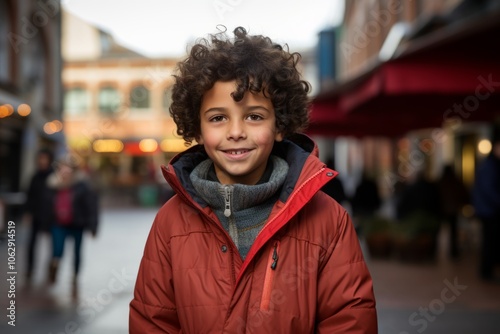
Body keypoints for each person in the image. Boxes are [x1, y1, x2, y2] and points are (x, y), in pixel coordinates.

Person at [130, 27, 377, 333]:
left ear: (279, 125)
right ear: (198, 128)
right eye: (218, 117)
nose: (235, 132)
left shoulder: (328, 220)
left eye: (254, 116)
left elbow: (349, 321)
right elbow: (153, 323)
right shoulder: (170, 224)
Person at [46, 158, 99, 299]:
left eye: (67, 168)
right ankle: (53, 268)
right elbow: (45, 205)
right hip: (58, 223)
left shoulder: (82, 185)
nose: (64, 171)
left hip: (77, 223)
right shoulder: (52, 184)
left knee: (77, 252)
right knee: (57, 250)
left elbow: (91, 206)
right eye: (62, 168)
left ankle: (75, 276)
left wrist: (93, 226)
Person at [472, 128, 500, 280]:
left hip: (488, 210)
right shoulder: (490, 166)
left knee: (491, 241)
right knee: (490, 242)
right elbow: (489, 190)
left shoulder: (491, 165)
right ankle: (487, 271)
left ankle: (488, 270)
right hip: (489, 211)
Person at [24, 148, 54, 284]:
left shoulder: (54, 177)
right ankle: (30, 268)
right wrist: (28, 212)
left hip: (50, 216)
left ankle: (51, 268)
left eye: (44, 158)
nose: (42, 161)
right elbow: (30, 196)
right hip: (36, 214)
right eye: (40, 158)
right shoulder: (35, 176)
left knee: (51, 244)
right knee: (32, 242)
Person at [437, 164, 469, 259]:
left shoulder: (441, 181)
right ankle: (453, 251)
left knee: (439, 230)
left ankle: (435, 250)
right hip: (452, 210)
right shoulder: (455, 182)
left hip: (443, 209)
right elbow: (463, 193)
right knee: (453, 232)